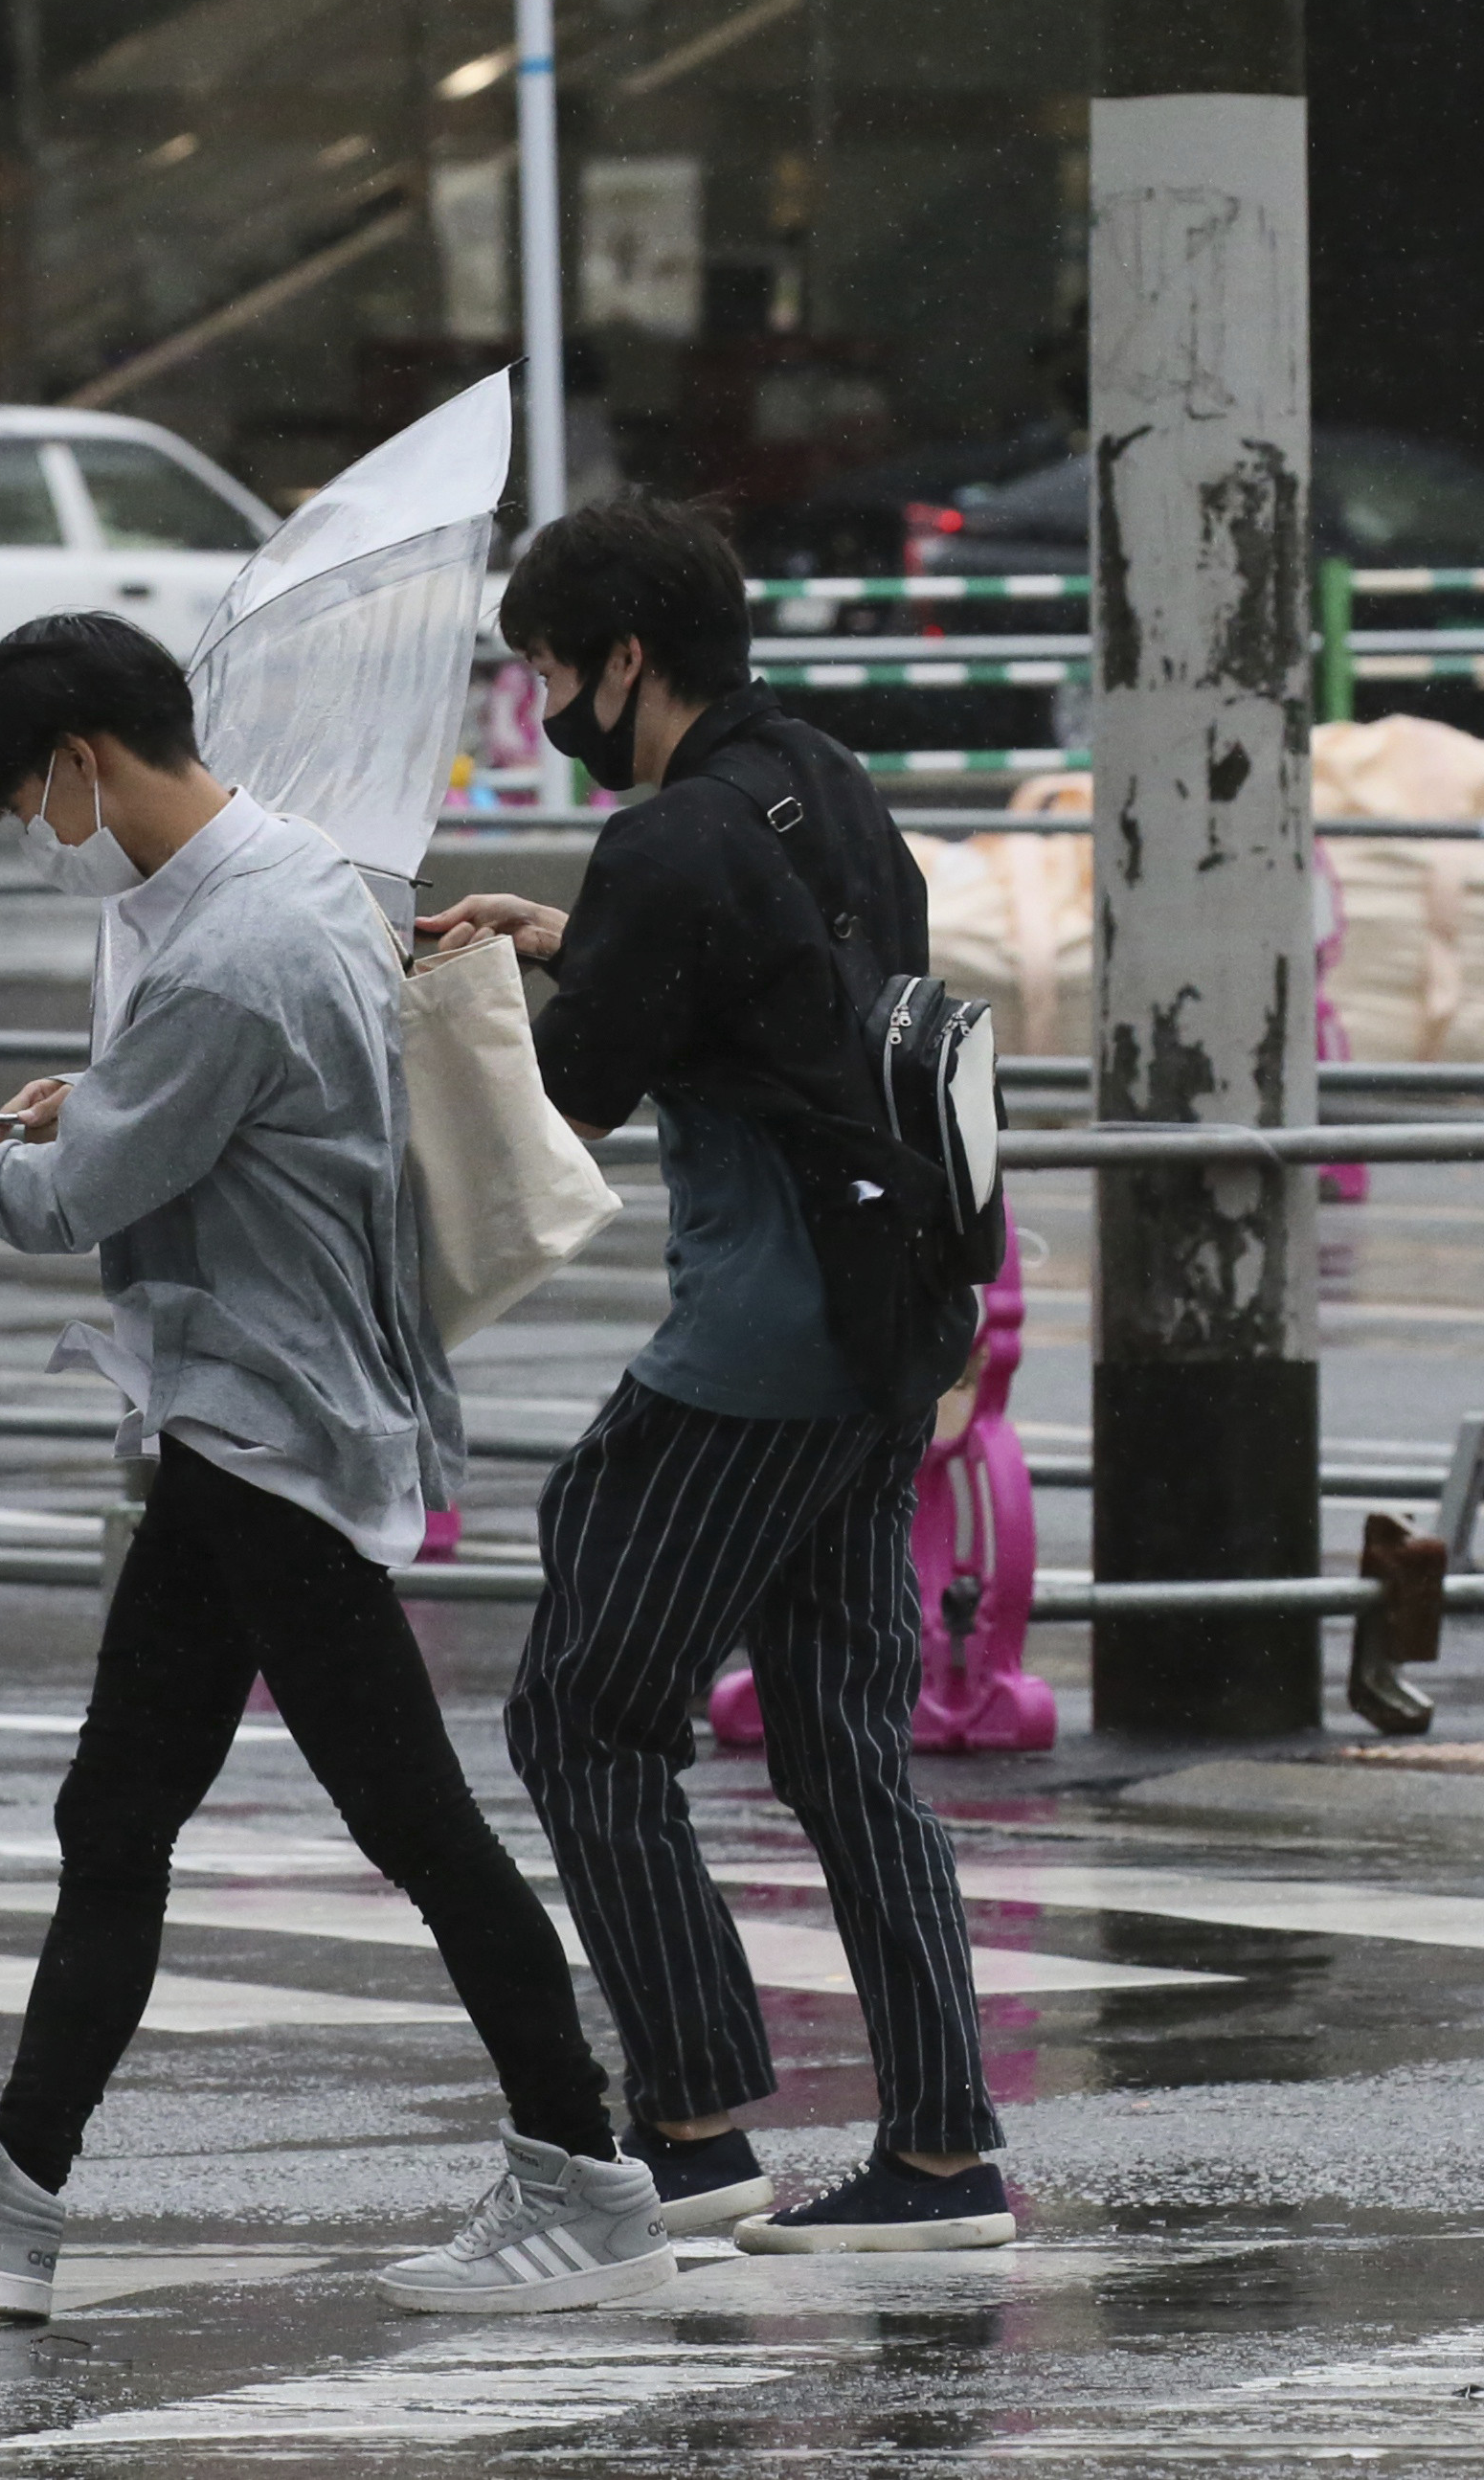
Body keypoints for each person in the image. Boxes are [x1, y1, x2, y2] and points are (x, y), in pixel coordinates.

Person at [0, 612, 671, 2321]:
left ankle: (584, 2173)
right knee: (128, 1811)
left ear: (83, 758)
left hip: (269, 1431)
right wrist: (99, 1092)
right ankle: (14, 2197)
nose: (37, 832)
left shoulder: (231, 951)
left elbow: (64, 1203)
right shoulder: (292, 881)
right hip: (250, 1417)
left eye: (31, 795)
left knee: (410, 1822)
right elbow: (187, 1124)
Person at [418, 493, 1013, 2254]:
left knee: (582, 1716)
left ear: (624, 660)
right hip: (893, 1319)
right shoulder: (818, 779)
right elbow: (784, 991)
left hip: (759, 1339)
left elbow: (564, 1110)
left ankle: (690, 2122)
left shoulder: (668, 847)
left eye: (548, 672)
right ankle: (939, 2154)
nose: (544, 709)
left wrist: (456, 999)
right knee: (842, 1742)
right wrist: (568, 941)